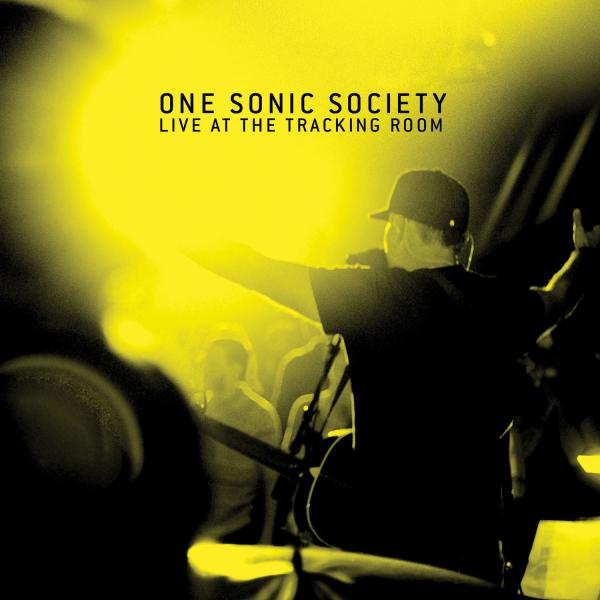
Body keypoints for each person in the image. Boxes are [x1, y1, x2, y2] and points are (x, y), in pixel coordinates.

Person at [186, 169, 600, 582]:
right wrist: (584, 255)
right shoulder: (499, 303)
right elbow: (557, 299)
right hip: (472, 558)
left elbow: (260, 272)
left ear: (399, 228)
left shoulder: (377, 298)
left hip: (389, 557)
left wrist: (184, 236)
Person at [195, 337, 282, 544]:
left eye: (213, 363)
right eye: (206, 362)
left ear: (235, 369)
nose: (205, 368)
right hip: (198, 530)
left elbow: (272, 483)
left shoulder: (260, 415)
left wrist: (267, 538)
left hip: (236, 533)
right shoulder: (198, 407)